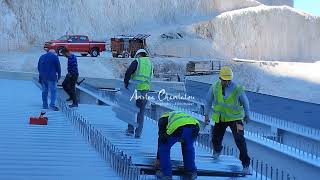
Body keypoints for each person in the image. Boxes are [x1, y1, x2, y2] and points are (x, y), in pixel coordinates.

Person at [204, 66, 251, 174]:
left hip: (236, 119)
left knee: (240, 139)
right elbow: (208, 101)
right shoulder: (214, 87)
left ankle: (246, 164)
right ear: (220, 78)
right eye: (225, 80)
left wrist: (247, 115)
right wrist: (206, 115)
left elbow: (245, 102)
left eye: (229, 80)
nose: (227, 82)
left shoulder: (237, 88)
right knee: (216, 138)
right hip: (221, 118)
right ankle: (217, 150)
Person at [155, 111, 200, 180]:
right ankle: (191, 172)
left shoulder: (162, 118)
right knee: (188, 148)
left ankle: (166, 174)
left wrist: (158, 158)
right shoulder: (178, 114)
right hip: (194, 126)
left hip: (178, 128)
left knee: (164, 148)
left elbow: (161, 139)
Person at [124, 49, 153, 138]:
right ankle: (138, 133)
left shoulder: (137, 61)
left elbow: (128, 72)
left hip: (135, 89)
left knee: (131, 110)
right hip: (145, 91)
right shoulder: (151, 64)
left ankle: (130, 130)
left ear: (139, 55)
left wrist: (126, 83)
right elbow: (151, 76)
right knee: (141, 112)